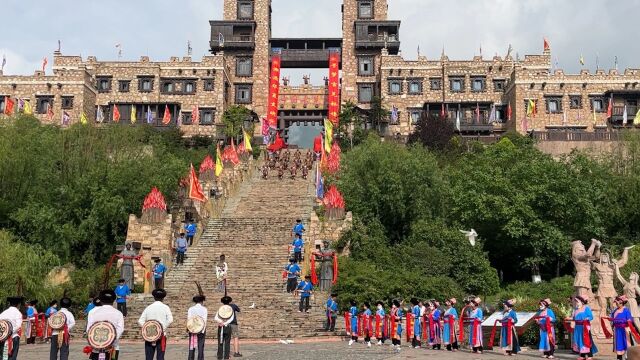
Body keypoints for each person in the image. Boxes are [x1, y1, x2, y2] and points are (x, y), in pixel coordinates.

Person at [86, 289, 125, 360]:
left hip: (96, 346)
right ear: (114, 300)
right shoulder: (118, 313)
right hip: (112, 348)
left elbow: (89, 329)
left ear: (100, 300)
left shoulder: (92, 312)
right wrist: (110, 339)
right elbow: (120, 329)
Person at [138, 289, 173, 360]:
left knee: (149, 357)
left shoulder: (148, 307)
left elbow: (140, 321)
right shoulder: (166, 307)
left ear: (154, 297)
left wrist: (147, 327)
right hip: (162, 335)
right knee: (160, 357)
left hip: (149, 336)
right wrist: (161, 328)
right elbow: (170, 320)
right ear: (163, 298)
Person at [50, 295, 75, 360]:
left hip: (55, 333)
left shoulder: (56, 313)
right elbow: (73, 323)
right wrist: (66, 328)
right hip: (64, 334)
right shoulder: (69, 313)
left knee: (53, 351)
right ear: (69, 305)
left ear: (60, 304)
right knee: (64, 351)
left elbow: (51, 323)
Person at [610, 295, 635, 360]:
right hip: (617, 330)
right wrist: (611, 322)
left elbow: (630, 319)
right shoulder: (615, 311)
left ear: (622, 303)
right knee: (618, 343)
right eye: (616, 303)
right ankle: (619, 357)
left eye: (618, 303)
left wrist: (628, 320)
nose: (617, 304)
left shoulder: (626, 310)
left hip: (624, 330)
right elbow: (612, 319)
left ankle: (627, 357)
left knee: (626, 343)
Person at [187, 290, 207, 360]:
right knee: (201, 346)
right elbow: (204, 320)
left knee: (191, 345)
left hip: (192, 329)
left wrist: (189, 329)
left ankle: (190, 358)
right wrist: (202, 330)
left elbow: (189, 319)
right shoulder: (204, 309)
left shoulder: (190, 309)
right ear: (202, 301)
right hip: (201, 329)